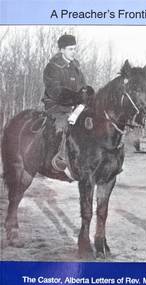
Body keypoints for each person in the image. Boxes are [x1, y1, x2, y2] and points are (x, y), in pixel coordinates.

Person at [42, 34, 93, 180]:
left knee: (90, 122)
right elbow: (55, 91)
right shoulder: (52, 67)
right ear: (62, 50)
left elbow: (83, 87)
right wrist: (77, 97)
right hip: (56, 106)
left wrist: (87, 94)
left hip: (74, 106)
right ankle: (60, 158)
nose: (73, 52)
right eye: (70, 49)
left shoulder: (76, 68)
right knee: (65, 125)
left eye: (75, 49)